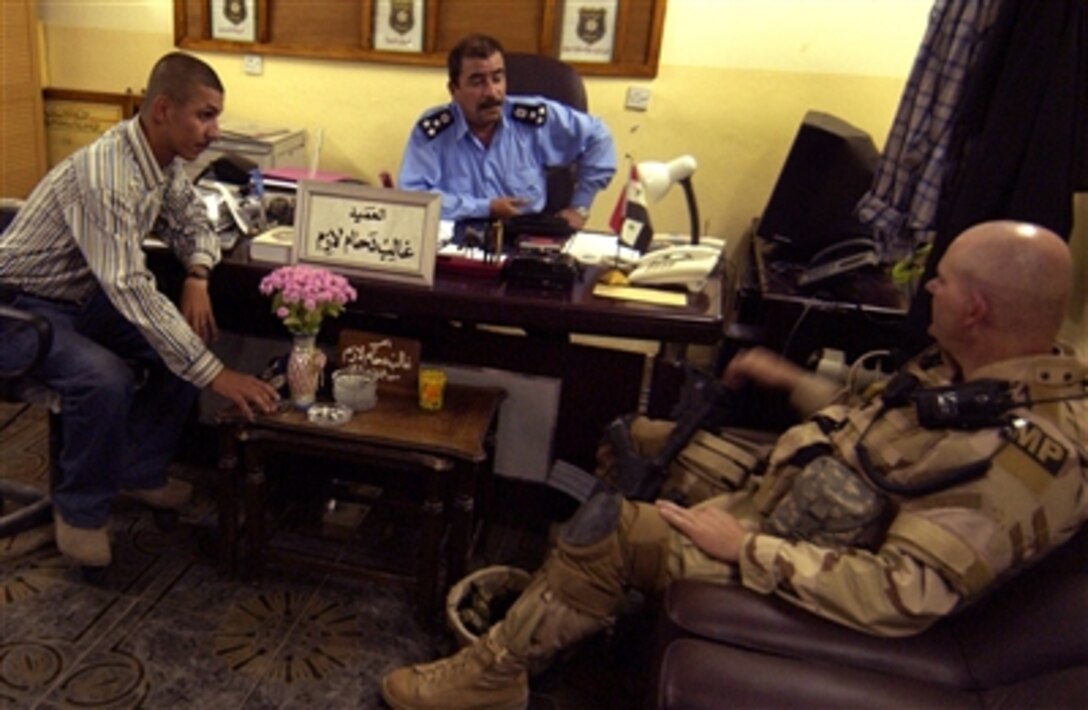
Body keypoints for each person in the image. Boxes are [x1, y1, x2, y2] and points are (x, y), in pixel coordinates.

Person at [380, 220, 1087, 709]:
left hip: (807, 556)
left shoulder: (1021, 456)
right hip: (796, 492)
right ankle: (583, 609)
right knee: (638, 438)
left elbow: (905, 592)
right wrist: (786, 376)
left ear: (976, 308)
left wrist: (745, 546)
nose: (926, 287)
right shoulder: (977, 374)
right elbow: (874, 413)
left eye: (942, 281)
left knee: (609, 529)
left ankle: (494, 676)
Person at [0, 52, 280, 568]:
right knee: (104, 378)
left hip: (77, 299)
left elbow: (192, 220)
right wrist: (216, 376)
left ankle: (137, 470)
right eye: (205, 115)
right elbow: (128, 286)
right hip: (17, 308)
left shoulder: (161, 162)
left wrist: (197, 273)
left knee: (183, 339)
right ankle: (80, 514)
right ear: (163, 109)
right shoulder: (106, 174)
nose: (214, 131)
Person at [397, 33, 616, 230]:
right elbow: (414, 197)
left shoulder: (532, 120)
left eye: (497, 78)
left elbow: (599, 136)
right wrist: (486, 208)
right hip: (457, 238)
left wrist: (580, 207)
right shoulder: (434, 131)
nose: (492, 92)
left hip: (526, 237)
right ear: (454, 90)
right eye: (477, 82)